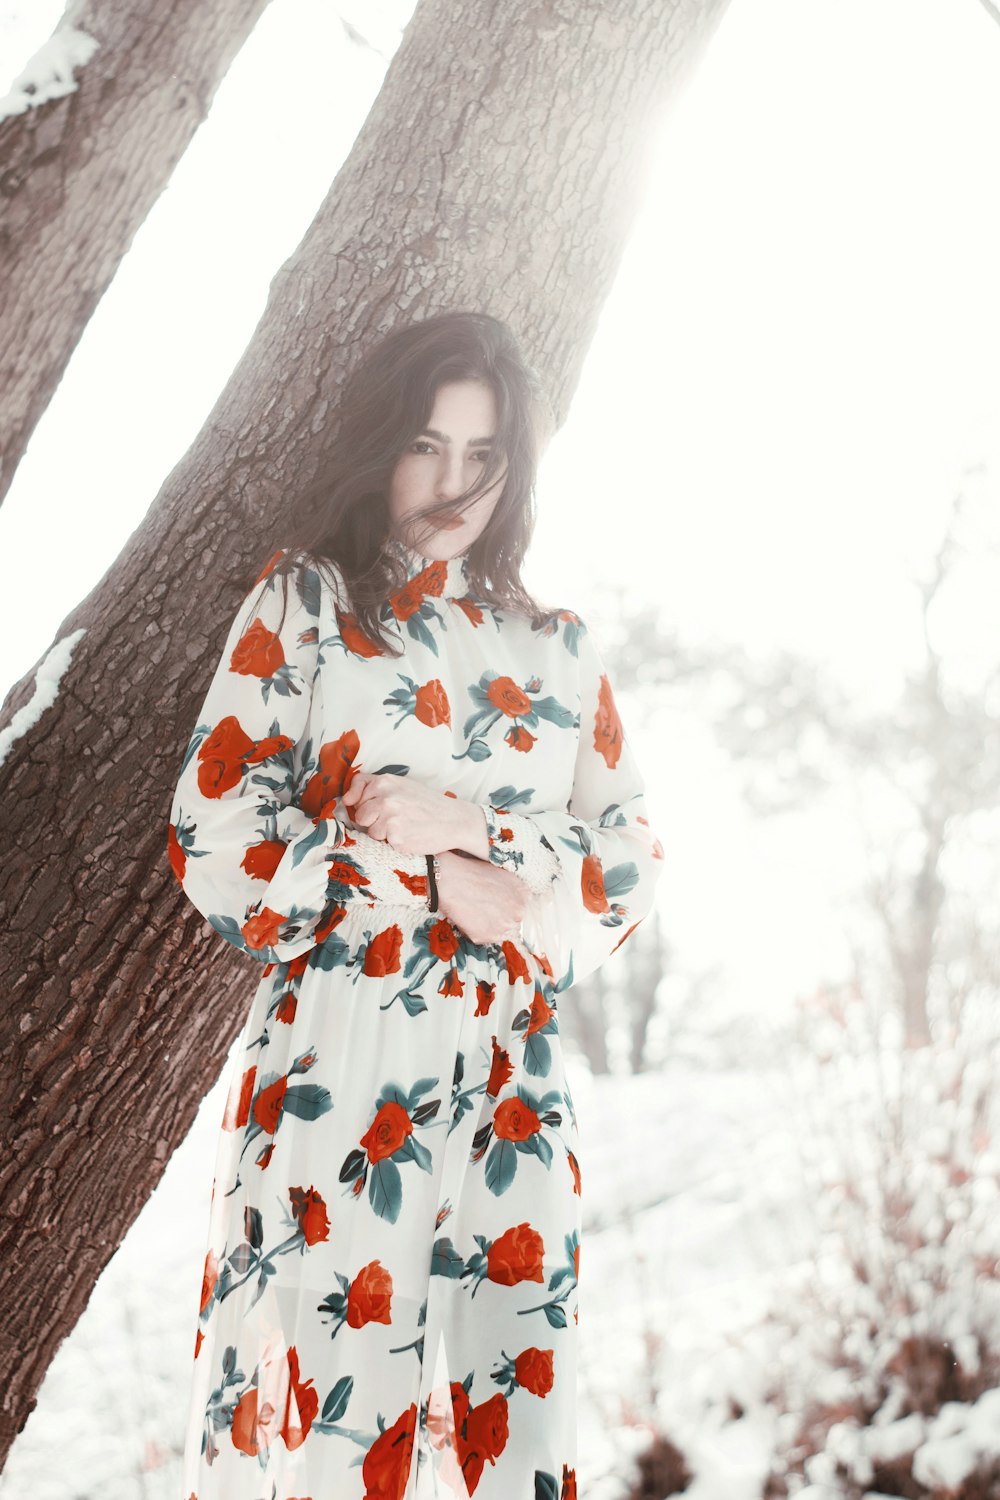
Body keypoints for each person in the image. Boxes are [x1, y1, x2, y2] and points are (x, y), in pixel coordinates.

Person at [167, 310, 664, 1500]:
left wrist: (477, 832)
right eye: (425, 447)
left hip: (513, 1067)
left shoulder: (555, 651)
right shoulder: (306, 608)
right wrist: (436, 878)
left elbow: (628, 869)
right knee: (336, 1418)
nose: (449, 485)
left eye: (481, 456)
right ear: (382, 445)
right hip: (345, 1053)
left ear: (516, 467)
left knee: (517, 1417)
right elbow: (215, 840)